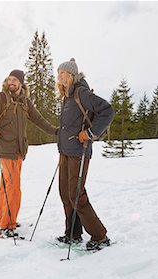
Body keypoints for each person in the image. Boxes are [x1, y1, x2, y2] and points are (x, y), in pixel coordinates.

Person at [0, 69, 57, 238]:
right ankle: (6, 225)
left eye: (15, 80)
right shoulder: (0, 98)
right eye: (9, 79)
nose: (11, 82)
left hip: (19, 150)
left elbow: (38, 119)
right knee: (13, 186)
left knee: (7, 185)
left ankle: (4, 219)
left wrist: (55, 131)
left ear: (21, 83)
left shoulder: (25, 102)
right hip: (4, 147)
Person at [55, 58, 114, 251]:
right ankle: (73, 233)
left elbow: (107, 111)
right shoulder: (67, 96)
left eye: (63, 72)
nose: (59, 76)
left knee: (76, 194)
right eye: (58, 73)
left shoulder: (81, 92)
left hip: (79, 152)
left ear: (72, 74)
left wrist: (90, 133)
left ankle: (100, 236)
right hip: (65, 152)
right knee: (65, 193)